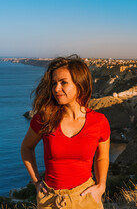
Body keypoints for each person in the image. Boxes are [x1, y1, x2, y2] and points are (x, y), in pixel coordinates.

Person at [21, 55, 110, 209]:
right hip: (50, 200)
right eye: (54, 83)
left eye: (63, 83)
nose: (56, 89)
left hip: (86, 199)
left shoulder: (99, 122)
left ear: (79, 84)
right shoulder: (44, 118)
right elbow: (26, 148)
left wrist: (101, 185)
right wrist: (36, 182)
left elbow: (102, 157)